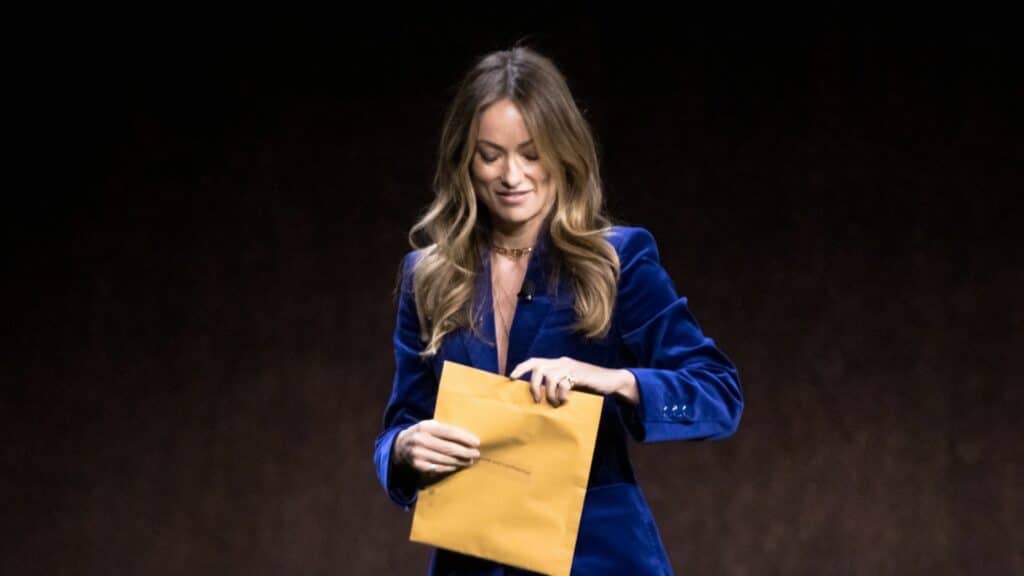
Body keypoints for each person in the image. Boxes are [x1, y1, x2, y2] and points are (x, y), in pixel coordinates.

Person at [373, 44, 743, 575]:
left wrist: (613, 381)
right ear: (463, 160)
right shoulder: (427, 276)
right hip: (471, 560)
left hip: (601, 561)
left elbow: (719, 395)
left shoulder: (616, 261)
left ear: (563, 152)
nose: (512, 175)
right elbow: (401, 423)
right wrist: (403, 450)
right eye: (490, 155)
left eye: (531, 153)